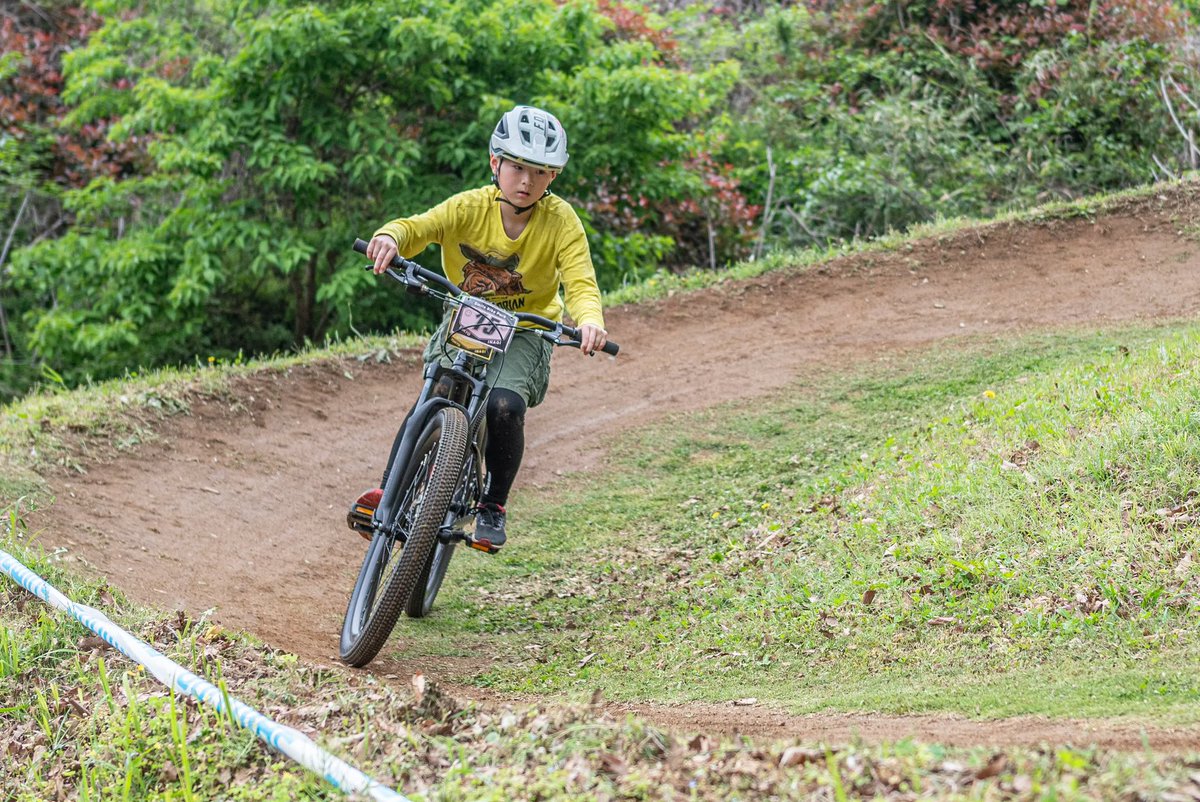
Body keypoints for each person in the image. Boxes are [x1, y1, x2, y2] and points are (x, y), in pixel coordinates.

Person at [348, 105, 609, 550]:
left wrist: (589, 321)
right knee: (437, 388)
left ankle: (493, 503)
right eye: (517, 167)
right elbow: (418, 228)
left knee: (505, 406)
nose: (526, 181)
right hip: (468, 314)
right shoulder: (468, 207)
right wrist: (390, 237)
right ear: (495, 163)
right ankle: (389, 491)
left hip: (526, 327)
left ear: (553, 176)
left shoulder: (561, 221)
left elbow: (580, 281)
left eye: (539, 172)